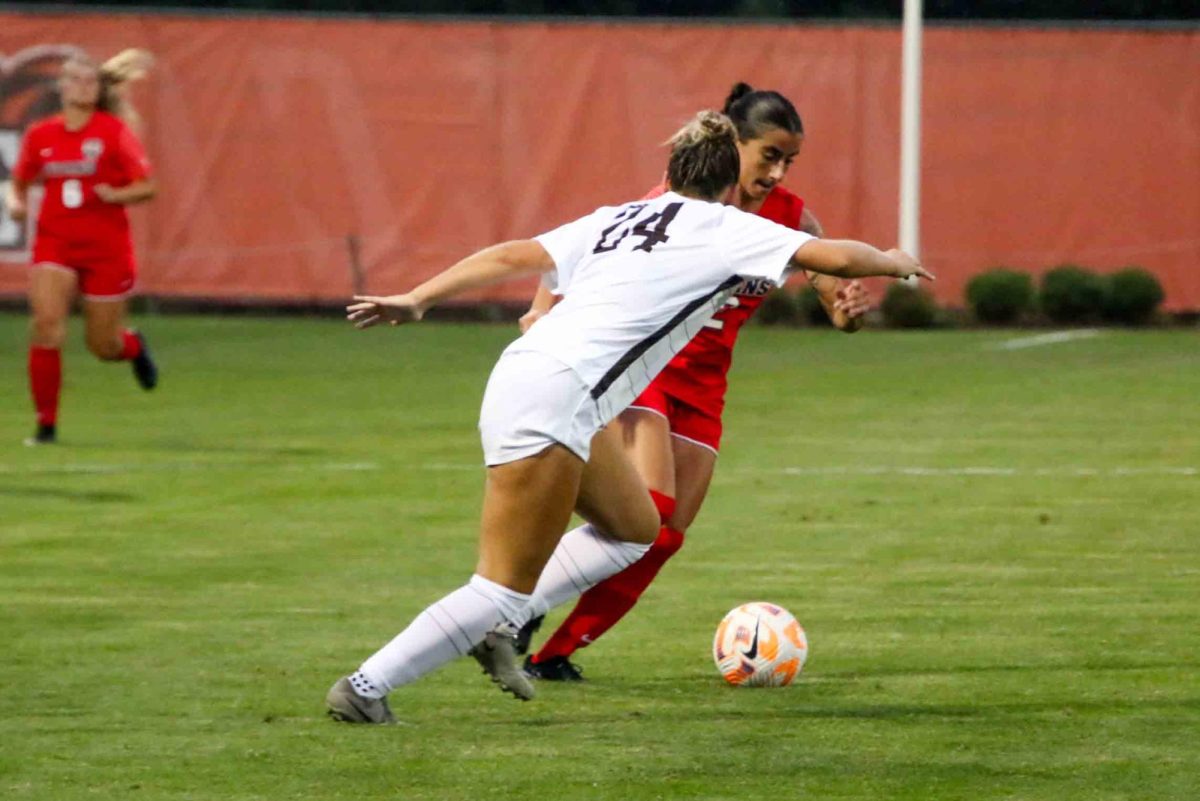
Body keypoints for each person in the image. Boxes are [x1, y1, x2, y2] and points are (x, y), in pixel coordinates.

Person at [324, 110, 931, 723]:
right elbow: (837, 259)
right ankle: (367, 687)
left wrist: (420, 296)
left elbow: (514, 254)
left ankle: (496, 625)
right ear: (726, 184)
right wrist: (892, 258)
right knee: (499, 584)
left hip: (537, 379)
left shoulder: (618, 217)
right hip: (558, 397)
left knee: (635, 530)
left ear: (670, 172)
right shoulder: (725, 227)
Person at [519, 83, 870, 681]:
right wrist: (541, 309)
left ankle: (557, 654)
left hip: (705, 386)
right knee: (648, 509)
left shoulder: (792, 217)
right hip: (644, 368)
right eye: (769, 156)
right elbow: (595, 247)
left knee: (667, 535)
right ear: (734, 143)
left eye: (789, 161)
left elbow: (827, 285)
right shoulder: (679, 199)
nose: (778, 172)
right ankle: (517, 605)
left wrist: (845, 307)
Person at [6, 51, 159, 446]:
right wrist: (16, 206)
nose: (84, 86)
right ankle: (46, 426)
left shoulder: (113, 132)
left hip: (106, 248)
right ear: (62, 88)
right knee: (45, 326)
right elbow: (19, 183)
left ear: (98, 90)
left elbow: (147, 187)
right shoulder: (41, 134)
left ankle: (132, 345)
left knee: (102, 346)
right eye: (76, 79)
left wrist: (117, 193)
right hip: (55, 242)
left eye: (91, 81)